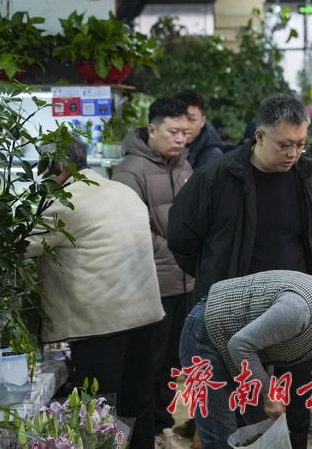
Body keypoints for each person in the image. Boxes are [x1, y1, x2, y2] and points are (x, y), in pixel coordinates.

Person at [168, 94, 312, 448]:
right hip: (235, 316)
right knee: (241, 417)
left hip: (294, 317)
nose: (293, 153)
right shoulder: (219, 178)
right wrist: (214, 278)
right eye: (284, 145)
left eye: (300, 144)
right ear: (259, 137)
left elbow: (309, 241)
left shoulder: (303, 177)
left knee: (295, 412)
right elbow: (181, 237)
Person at [26, 138, 164, 449]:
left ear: (58, 167)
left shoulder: (65, 201)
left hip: (101, 324)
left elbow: (21, 246)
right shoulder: (122, 190)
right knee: (137, 401)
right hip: (145, 314)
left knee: (101, 409)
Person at [179, 270, 312, 449]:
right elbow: (239, 345)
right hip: (209, 336)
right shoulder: (299, 310)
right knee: (221, 438)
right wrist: (268, 393)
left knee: (259, 435)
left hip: (250, 354)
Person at [111, 97, 194, 443]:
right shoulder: (130, 170)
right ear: (151, 129)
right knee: (147, 363)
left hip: (185, 280)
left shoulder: (185, 165)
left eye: (185, 132)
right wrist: (183, 250)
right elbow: (133, 230)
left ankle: (163, 422)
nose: (180, 139)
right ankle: (143, 432)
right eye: (173, 131)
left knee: (173, 363)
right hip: (152, 283)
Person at [173, 90, 225, 170]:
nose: (186, 126)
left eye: (192, 120)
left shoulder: (212, 156)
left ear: (203, 121)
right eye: (180, 119)